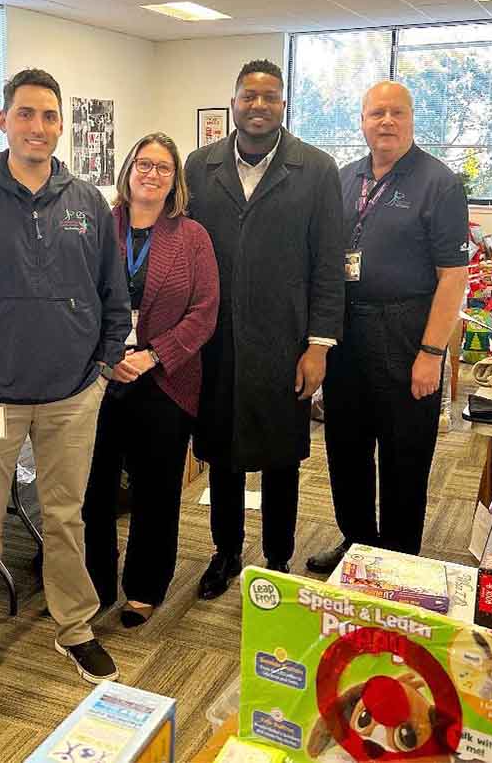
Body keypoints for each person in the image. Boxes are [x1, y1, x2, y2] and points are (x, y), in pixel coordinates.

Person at [0, 68, 131, 710]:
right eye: (26, 114)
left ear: (61, 125)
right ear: (4, 120)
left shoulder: (87, 203)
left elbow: (114, 300)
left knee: (65, 517)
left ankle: (74, 627)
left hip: (71, 399)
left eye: (48, 116)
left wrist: (98, 374)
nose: (37, 127)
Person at [185, 59, 345, 600]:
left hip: (286, 341)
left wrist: (319, 345)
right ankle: (225, 552)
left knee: (280, 457)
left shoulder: (317, 170)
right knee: (222, 454)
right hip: (216, 341)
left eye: (269, 96)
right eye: (248, 96)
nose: (258, 105)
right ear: (233, 102)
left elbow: (328, 264)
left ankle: (277, 558)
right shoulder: (198, 166)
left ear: (283, 104)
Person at [306, 81, 469, 574]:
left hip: (406, 330)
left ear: (413, 119)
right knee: (346, 446)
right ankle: (356, 542)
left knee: (405, 452)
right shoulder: (342, 177)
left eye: (397, 112)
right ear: (362, 120)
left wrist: (431, 352)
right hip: (348, 329)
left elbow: (453, 277)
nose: (386, 122)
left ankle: (399, 559)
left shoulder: (438, 182)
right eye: (377, 112)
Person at [82, 133, 219, 627]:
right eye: (144, 164)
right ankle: (95, 584)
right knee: (93, 489)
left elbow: (205, 314)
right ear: (129, 170)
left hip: (166, 382)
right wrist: (109, 354)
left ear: (174, 178)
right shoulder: (99, 225)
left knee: (156, 490)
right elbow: (78, 297)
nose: (152, 174)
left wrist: (154, 356)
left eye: (163, 167)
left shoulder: (192, 237)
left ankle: (144, 586)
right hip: (99, 378)